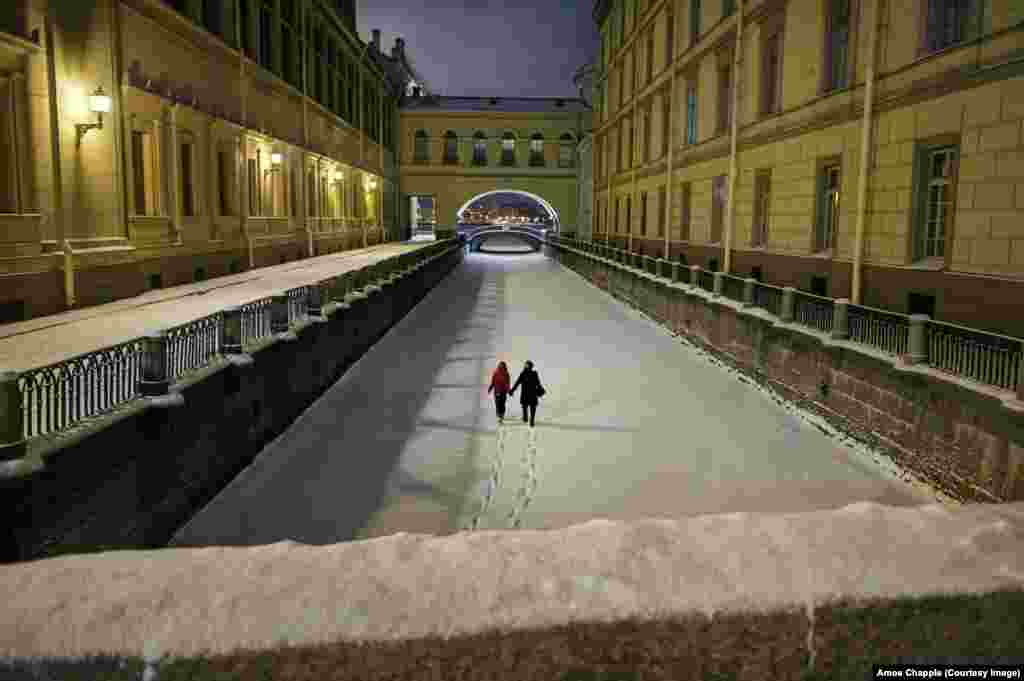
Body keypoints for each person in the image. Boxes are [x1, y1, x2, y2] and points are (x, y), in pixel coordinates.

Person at [510, 360, 545, 427]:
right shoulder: (534, 374)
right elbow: (538, 383)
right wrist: (541, 389)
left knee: (525, 406)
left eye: (526, 365)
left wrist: (512, 390)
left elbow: (517, 383)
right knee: (531, 407)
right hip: (532, 394)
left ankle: (526, 419)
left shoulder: (523, 373)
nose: (526, 366)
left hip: (526, 394)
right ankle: (530, 420)